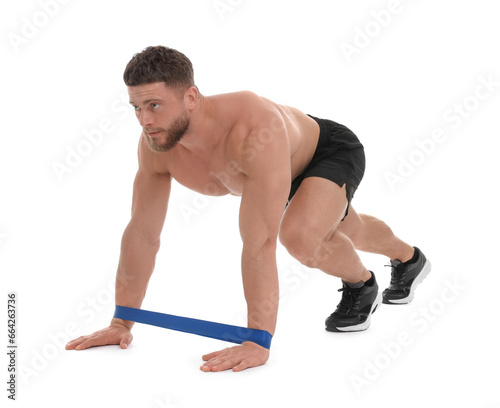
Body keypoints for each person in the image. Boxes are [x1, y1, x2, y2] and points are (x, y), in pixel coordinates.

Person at [65, 46, 431, 372]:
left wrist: (258, 338)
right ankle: (409, 261)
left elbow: (258, 241)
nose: (144, 120)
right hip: (273, 171)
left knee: (302, 237)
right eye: (137, 108)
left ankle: (367, 281)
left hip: (325, 152)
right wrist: (121, 321)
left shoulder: (251, 127)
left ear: (190, 97)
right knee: (343, 228)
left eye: (155, 106)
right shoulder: (157, 146)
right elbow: (142, 234)